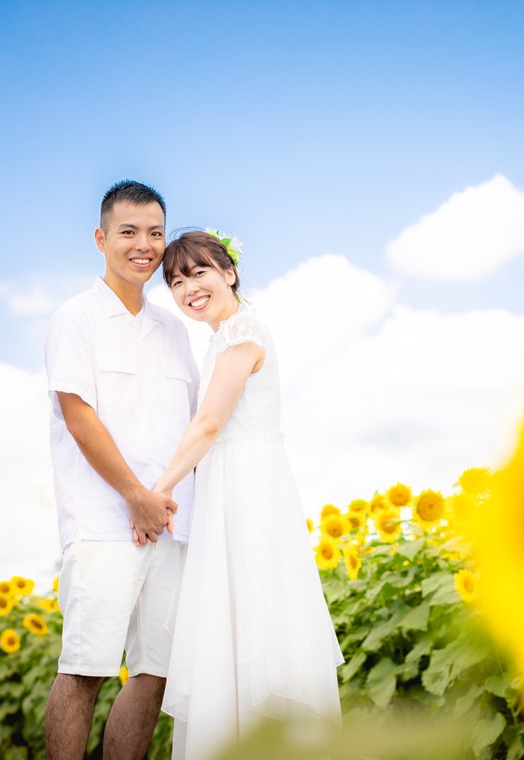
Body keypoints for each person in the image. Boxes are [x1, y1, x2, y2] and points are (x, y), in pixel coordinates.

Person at [152, 230, 343, 760]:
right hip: (231, 489)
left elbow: (209, 423)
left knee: (255, 619)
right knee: (234, 624)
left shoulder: (242, 333)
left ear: (228, 272)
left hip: (248, 492)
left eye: (199, 272)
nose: (188, 286)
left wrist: (158, 489)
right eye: (176, 280)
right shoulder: (222, 337)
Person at [43, 181, 200, 759]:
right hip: (103, 522)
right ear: (101, 238)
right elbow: (77, 416)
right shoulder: (76, 317)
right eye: (128, 232)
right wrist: (135, 495)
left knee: (154, 674)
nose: (144, 245)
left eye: (155, 232)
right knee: (86, 668)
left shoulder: (175, 327)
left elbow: (194, 423)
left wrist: (159, 503)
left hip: (172, 524)